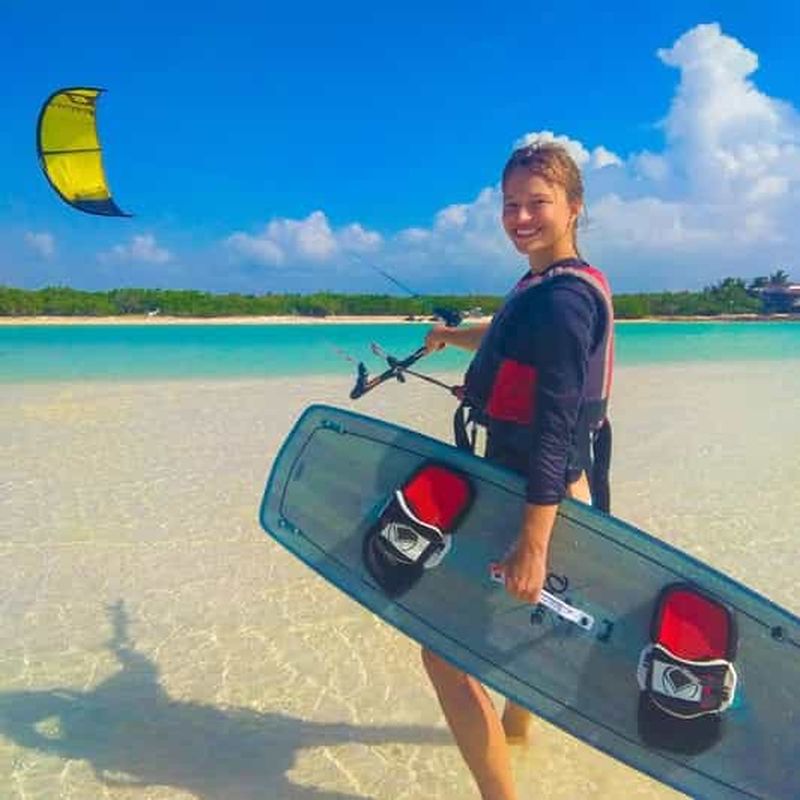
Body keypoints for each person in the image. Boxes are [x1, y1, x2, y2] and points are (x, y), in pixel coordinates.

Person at [420, 141, 614, 800]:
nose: (521, 216)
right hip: (553, 490)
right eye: (511, 205)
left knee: (441, 652)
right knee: (536, 626)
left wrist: (533, 542)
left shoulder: (563, 302)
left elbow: (555, 428)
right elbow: (507, 334)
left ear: (574, 206)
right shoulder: (545, 282)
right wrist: (459, 347)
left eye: (538, 203)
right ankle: (519, 729)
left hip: (540, 497)